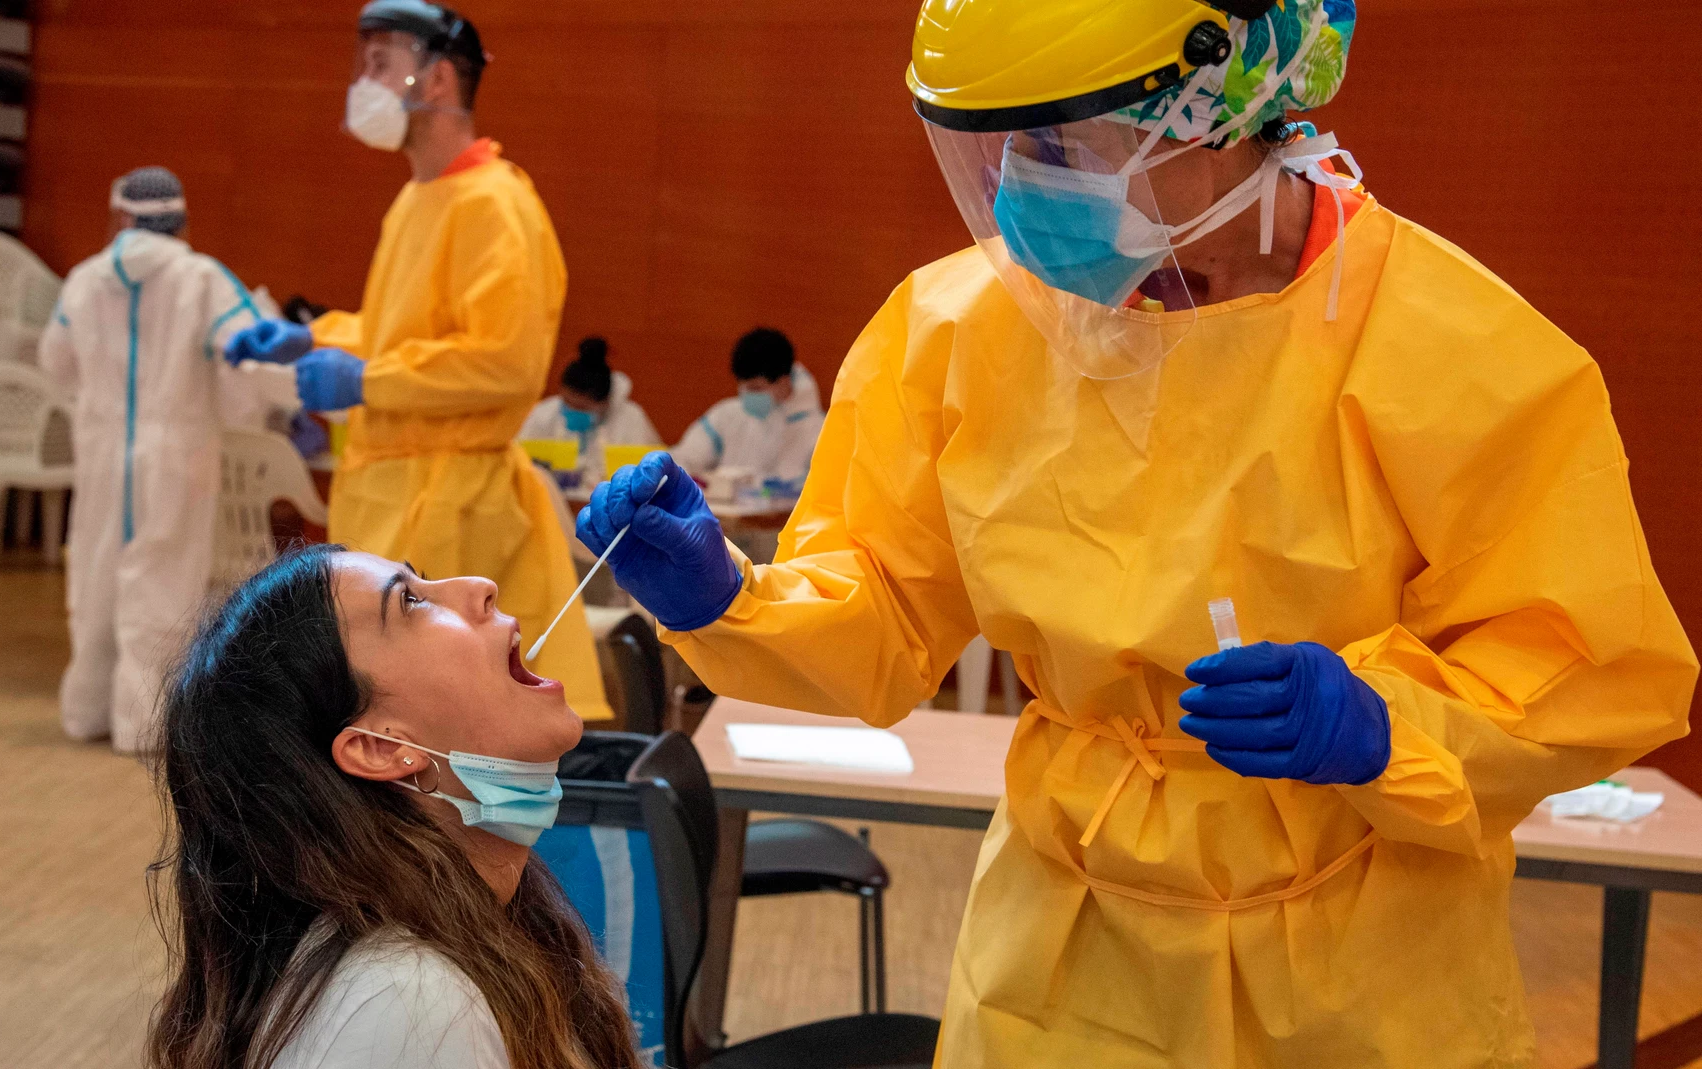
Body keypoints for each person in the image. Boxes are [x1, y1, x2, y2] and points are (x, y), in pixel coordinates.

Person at [579, 1, 1697, 1066]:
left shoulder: (1454, 346)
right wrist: (727, 594)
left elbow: (1589, 662)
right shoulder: (963, 328)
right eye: (995, 152)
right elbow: (884, 610)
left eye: (1058, 144)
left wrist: (1381, 725)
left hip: (1360, 967)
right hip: (1061, 952)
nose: (1018, 191)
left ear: (1214, 107)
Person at [229, 0, 611, 722]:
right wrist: (317, 340)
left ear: (435, 79)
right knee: (377, 720)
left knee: (453, 729)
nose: (362, 83)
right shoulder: (417, 200)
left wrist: (365, 378)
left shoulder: (496, 205)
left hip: (456, 509)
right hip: (391, 493)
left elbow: (501, 361)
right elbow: (402, 328)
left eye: (380, 64)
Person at [147, 544, 643, 1069]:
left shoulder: (479, 915)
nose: (480, 584)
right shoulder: (408, 1003)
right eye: (410, 602)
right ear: (380, 747)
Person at [39, 166, 291, 753]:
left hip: (102, 451)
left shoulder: (83, 280)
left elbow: (55, 362)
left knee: (97, 572)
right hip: (179, 450)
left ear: (121, 216)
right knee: (166, 578)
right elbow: (249, 365)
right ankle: (144, 724)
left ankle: (87, 710)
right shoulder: (203, 279)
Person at [667, 327, 822, 489]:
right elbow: (686, 457)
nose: (748, 395)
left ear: (784, 382)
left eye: (757, 389)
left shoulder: (817, 431)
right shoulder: (726, 415)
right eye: (744, 387)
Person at [518, 336, 661, 484]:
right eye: (566, 403)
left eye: (581, 408)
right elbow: (518, 459)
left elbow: (651, 474)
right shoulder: (545, 414)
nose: (571, 411)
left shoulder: (631, 419)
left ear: (605, 403)